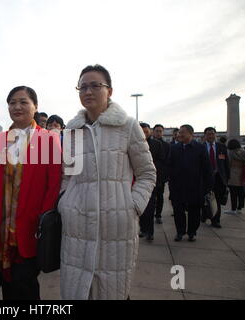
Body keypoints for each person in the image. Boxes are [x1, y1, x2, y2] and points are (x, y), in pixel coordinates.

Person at [58, 65, 156, 300]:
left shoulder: (128, 126)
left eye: (95, 85)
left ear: (109, 91)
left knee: (112, 290)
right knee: (77, 289)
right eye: (83, 86)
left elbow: (147, 173)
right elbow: (67, 175)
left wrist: (132, 206)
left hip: (116, 227)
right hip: (76, 225)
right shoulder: (73, 131)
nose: (88, 91)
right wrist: (65, 201)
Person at [0, 86, 62, 300]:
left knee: (24, 284)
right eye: (12, 102)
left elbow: (54, 185)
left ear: (35, 107)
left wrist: (43, 222)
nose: (17, 107)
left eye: (23, 102)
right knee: (8, 284)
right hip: (1, 228)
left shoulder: (48, 139)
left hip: (31, 229)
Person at [168, 125, 212, 242]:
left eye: (182, 133)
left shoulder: (200, 148)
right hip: (178, 187)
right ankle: (180, 232)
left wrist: (207, 187)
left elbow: (207, 169)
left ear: (191, 134)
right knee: (178, 211)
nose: (179, 135)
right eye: (179, 133)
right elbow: (170, 167)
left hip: (195, 186)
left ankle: (192, 232)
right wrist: (170, 184)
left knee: (194, 211)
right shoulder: (174, 148)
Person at [139, 123, 163, 241]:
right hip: (136, 181)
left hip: (151, 181)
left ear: (150, 132)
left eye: (146, 131)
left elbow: (161, 161)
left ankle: (150, 231)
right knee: (139, 207)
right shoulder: (133, 144)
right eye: (141, 131)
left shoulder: (157, 145)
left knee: (150, 207)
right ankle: (143, 229)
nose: (144, 134)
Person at [202, 127, 229, 228]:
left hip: (218, 178)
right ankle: (204, 214)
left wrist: (227, 178)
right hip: (205, 178)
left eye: (212, 134)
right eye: (208, 134)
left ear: (215, 135)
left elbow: (226, 163)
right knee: (205, 199)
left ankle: (216, 220)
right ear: (205, 136)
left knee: (217, 199)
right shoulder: (201, 147)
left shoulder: (221, 147)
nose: (211, 136)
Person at [226, 139, 245, 214]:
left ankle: (233, 209)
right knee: (241, 192)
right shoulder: (244, 152)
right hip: (242, 173)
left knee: (233, 193)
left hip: (233, 174)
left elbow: (228, 164)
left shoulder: (230, 153)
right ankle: (239, 208)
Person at [152, 124, 170, 224]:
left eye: (160, 131)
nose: (158, 133)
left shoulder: (167, 146)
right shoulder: (147, 143)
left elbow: (167, 161)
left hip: (160, 176)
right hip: (149, 175)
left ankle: (158, 215)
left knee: (160, 196)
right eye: (156, 131)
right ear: (153, 132)